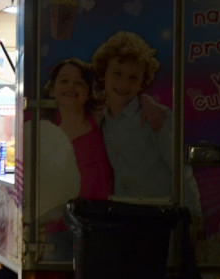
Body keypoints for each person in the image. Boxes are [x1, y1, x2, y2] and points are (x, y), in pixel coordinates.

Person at [92, 31, 202, 221]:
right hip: (123, 214)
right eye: (117, 73)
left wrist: (194, 215)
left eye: (133, 78)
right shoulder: (102, 120)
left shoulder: (155, 117)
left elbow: (181, 169)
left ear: (143, 83)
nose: (123, 83)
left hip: (160, 214)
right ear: (104, 74)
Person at [42, 59, 113, 201]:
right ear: (52, 91)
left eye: (79, 83)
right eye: (64, 81)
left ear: (88, 93)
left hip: (101, 217)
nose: (71, 86)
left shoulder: (103, 121)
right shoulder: (46, 135)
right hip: (61, 218)